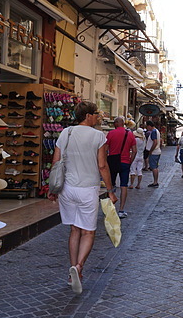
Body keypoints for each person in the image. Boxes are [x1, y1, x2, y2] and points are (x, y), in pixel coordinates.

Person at [48, 101, 116, 295]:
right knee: (88, 232)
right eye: (96, 114)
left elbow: (56, 161)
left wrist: (52, 187)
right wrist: (110, 190)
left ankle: (71, 273)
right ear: (88, 116)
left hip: (67, 189)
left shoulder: (65, 133)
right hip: (88, 189)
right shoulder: (98, 136)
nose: (98, 118)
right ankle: (79, 267)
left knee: (74, 230)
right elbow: (102, 166)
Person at [105, 116, 137, 219]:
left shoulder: (111, 134)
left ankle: (111, 209)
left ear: (116, 124)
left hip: (113, 162)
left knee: (111, 185)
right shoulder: (130, 134)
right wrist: (130, 161)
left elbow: (105, 149)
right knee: (124, 186)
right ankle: (121, 210)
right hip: (125, 162)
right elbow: (134, 150)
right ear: (123, 123)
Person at [145, 120, 161, 187]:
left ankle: (155, 182)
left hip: (154, 152)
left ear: (149, 126)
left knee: (153, 167)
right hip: (157, 151)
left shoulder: (154, 132)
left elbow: (155, 142)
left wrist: (151, 151)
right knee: (155, 167)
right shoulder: (156, 131)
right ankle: (155, 181)